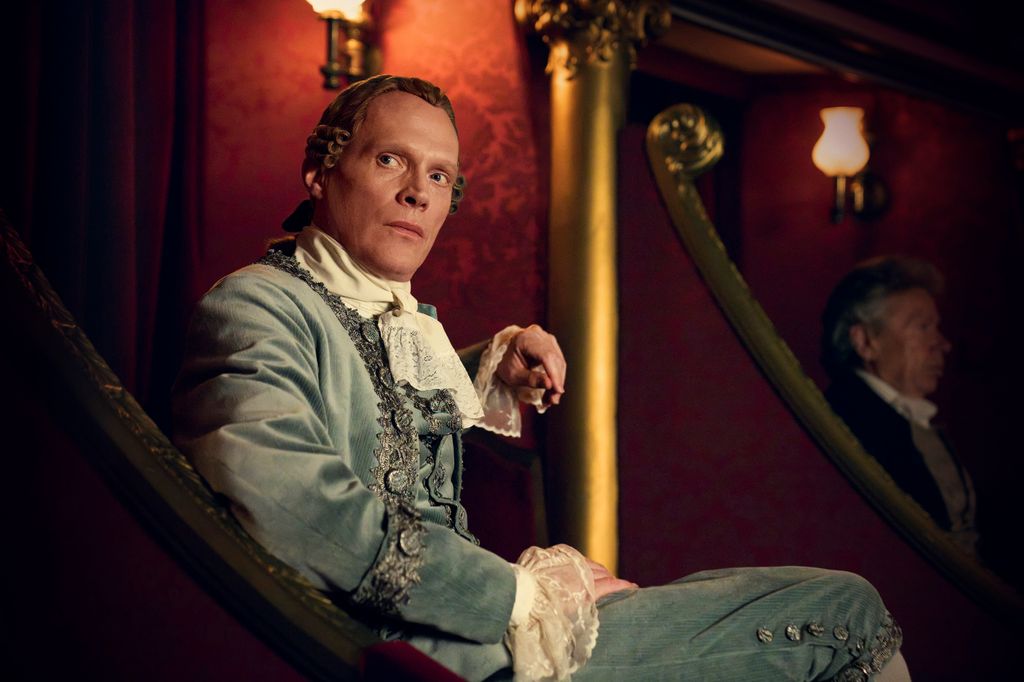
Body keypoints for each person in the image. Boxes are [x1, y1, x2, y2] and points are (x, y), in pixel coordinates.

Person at [173, 74, 909, 681]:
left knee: (763, 597)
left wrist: (490, 361)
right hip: (442, 651)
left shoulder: (383, 315)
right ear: (320, 170)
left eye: (439, 175)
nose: (418, 194)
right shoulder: (258, 304)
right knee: (845, 613)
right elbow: (289, 501)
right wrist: (523, 594)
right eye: (390, 160)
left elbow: (374, 407)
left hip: (476, 629)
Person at [821, 256, 978, 554]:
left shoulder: (912, 417)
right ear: (865, 341)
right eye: (922, 327)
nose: (942, 344)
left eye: (936, 326)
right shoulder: (846, 427)